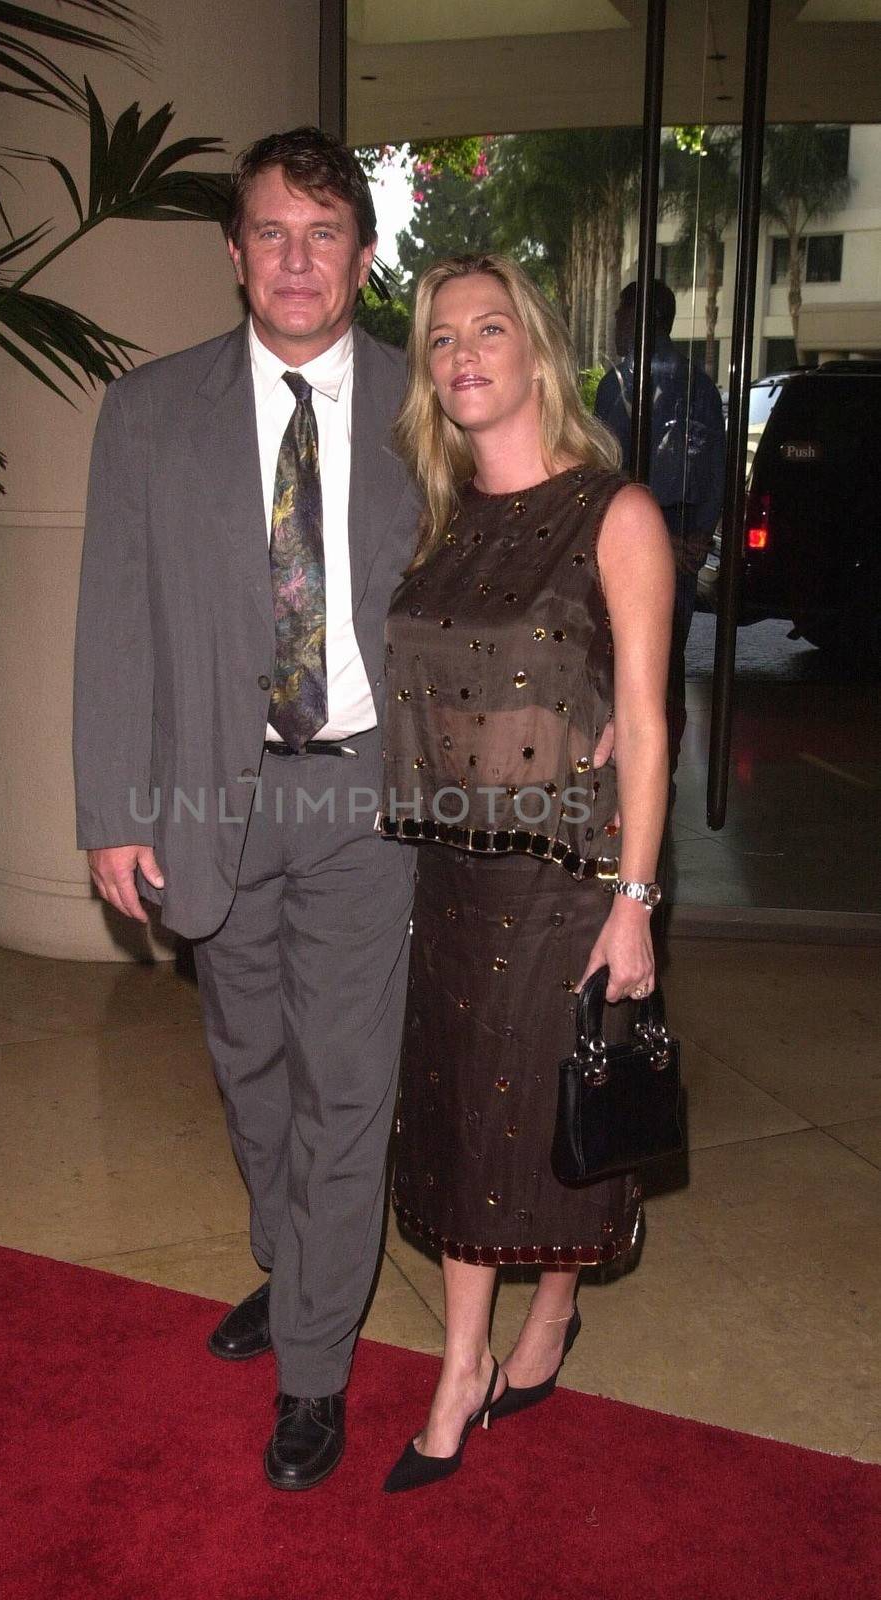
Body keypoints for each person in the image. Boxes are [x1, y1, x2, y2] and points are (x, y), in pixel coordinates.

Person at [73, 127, 422, 1490]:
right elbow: (112, 624)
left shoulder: (417, 406)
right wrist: (113, 806)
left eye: (322, 233)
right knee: (249, 1070)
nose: (295, 258)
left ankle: (317, 1368)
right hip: (206, 800)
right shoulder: (148, 412)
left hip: (369, 800)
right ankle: (294, 1265)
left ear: (360, 256)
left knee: (347, 1088)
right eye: (271, 232)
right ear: (233, 253)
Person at [377, 254, 673, 1492]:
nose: (463, 354)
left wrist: (638, 901)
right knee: (461, 1117)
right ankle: (479, 1350)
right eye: (441, 339)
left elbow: (651, 721)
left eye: (488, 329)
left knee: (545, 1115)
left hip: (569, 873)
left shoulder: (618, 512)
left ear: (537, 353)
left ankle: (518, 1335)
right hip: (453, 872)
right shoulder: (443, 524)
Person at [594, 280, 724, 762]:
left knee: (626, 664)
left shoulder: (622, 384)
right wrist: (696, 537)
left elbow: (603, 476)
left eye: (620, 315)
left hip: (634, 542)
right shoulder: (701, 385)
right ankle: (661, 772)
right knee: (668, 663)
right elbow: (717, 472)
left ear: (639, 320)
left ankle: (633, 771)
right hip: (684, 539)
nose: (614, 326)